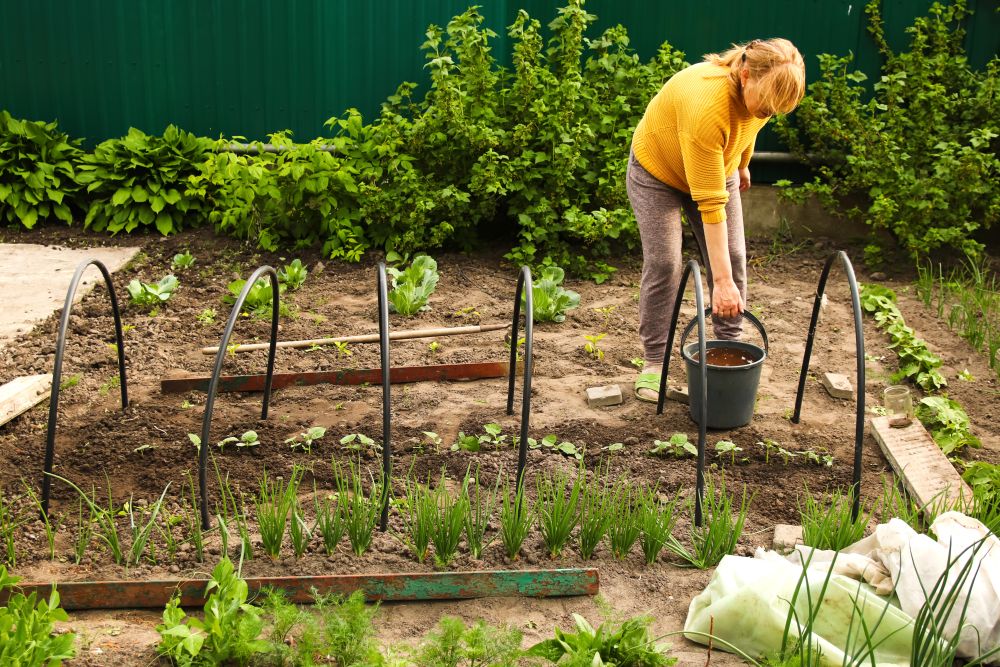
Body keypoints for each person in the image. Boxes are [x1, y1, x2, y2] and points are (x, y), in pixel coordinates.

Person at [629, 38, 806, 402]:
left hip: (713, 165)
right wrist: (720, 284)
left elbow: (748, 125)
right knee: (665, 263)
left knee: (734, 256)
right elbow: (711, 206)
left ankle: (729, 348)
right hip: (657, 172)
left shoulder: (760, 95)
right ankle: (654, 363)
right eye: (767, 104)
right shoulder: (706, 105)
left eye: (775, 111)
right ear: (745, 75)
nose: (767, 114)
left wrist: (741, 163)